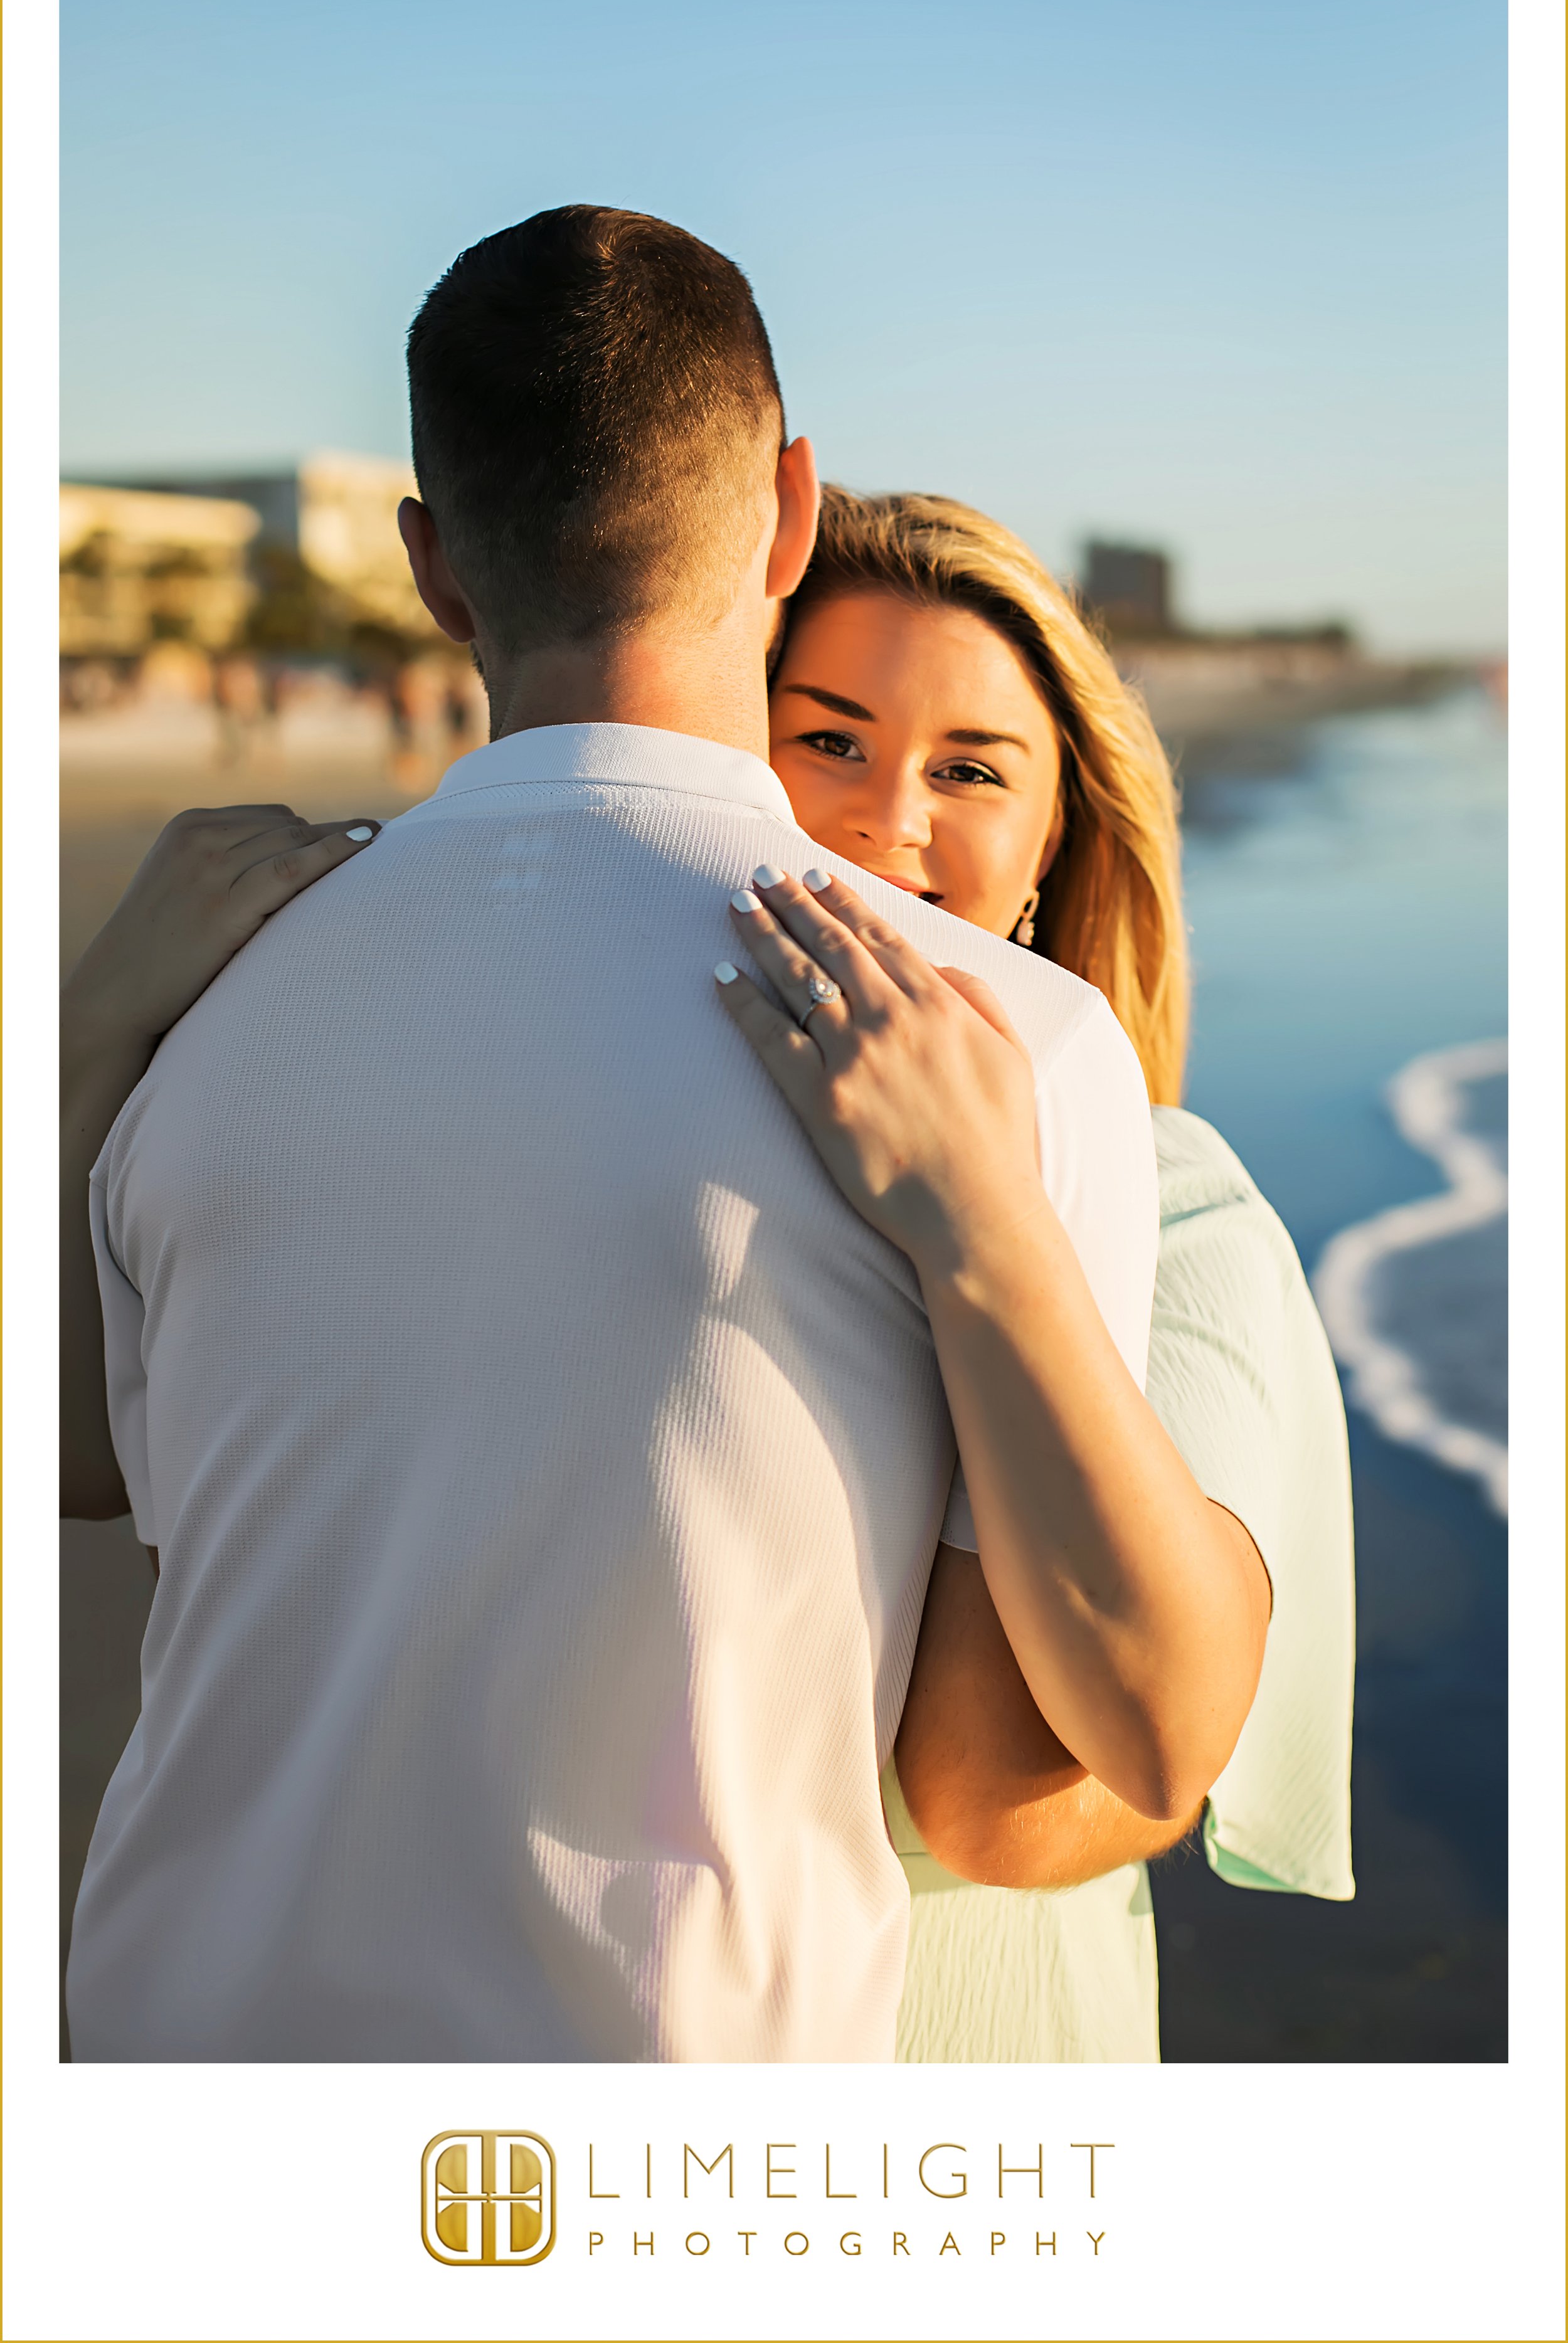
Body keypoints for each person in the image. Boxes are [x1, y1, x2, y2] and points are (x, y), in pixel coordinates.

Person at [61, 207, 1268, 2064]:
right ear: (791, 513)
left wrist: (84, 1038)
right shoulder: (994, 1042)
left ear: (432, 573)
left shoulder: (206, 995)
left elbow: (83, 1460)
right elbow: (1099, 1749)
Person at [756, 487, 1356, 2061]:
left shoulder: (1171, 1212)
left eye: (968, 769)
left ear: (1047, 845)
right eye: (826, 739)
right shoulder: (629, 1129)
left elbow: (1029, 1806)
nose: (891, 815)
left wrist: (979, 1217)